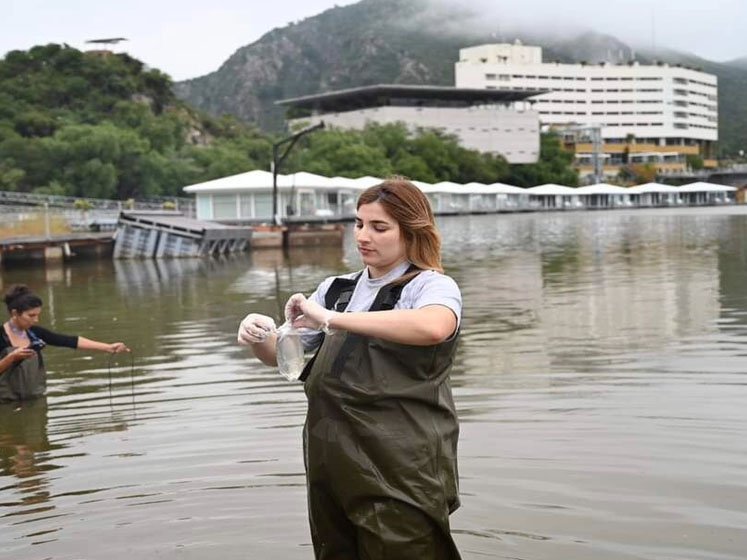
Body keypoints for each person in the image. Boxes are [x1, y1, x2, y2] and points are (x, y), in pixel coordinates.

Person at [238, 178, 463, 559]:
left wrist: (333, 320)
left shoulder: (430, 286)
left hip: (401, 463)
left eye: (379, 227)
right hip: (331, 457)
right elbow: (283, 357)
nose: (363, 236)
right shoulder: (336, 290)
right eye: (359, 223)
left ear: (410, 231)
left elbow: (433, 326)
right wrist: (259, 335)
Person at [0, 284, 130, 403]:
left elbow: (69, 341)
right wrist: (11, 358)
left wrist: (108, 347)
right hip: (5, 404)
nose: (36, 320)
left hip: (34, 401)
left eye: (38, 315)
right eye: (31, 315)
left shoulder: (35, 334)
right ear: (15, 313)